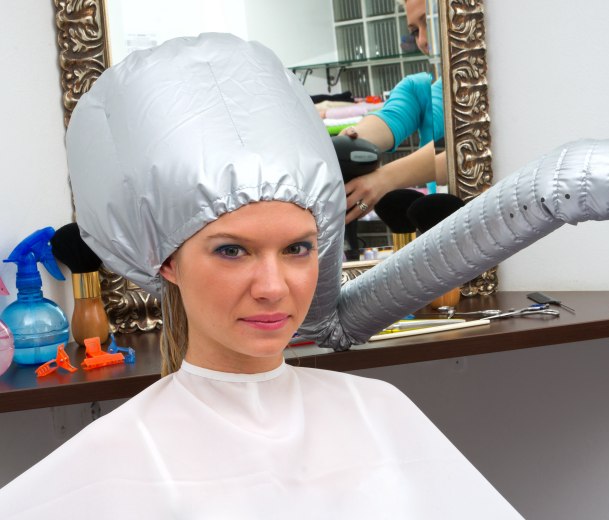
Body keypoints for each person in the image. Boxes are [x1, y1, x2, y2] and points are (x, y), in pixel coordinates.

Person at [0, 34, 524, 518]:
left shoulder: (379, 412)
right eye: (232, 251)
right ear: (165, 262)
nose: (273, 286)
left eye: (297, 248)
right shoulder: (109, 461)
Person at [342, 0, 448, 223]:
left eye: (430, 21)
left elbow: (468, 157)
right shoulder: (420, 91)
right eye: (415, 31)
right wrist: (350, 143)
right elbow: (391, 118)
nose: (423, 40)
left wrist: (385, 179)